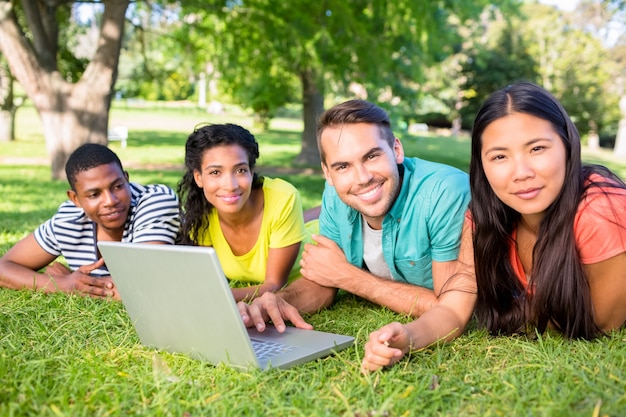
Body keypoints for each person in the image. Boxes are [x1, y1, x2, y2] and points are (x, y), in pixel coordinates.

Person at [362, 81, 626, 372]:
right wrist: (408, 336)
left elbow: (601, 324)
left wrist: (518, 312)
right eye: (499, 156)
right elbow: (453, 307)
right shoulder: (485, 216)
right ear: (482, 165)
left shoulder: (601, 208)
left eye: (537, 148)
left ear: (566, 146)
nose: (521, 173)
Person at [237, 99, 471, 334]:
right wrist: (279, 302)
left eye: (371, 156)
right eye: (342, 167)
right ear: (327, 173)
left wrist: (349, 278)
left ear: (396, 150)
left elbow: (449, 306)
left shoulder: (444, 193)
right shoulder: (336, 195)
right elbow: (324, 280)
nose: (361, 178)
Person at [0, 143, 181, 299]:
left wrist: (80, 282)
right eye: (94, 194)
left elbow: (146, 285)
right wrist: (62, 284)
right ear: (75, 199)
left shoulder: (155, 201)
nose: (110, 201)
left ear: (127, 179)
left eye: (117, 186)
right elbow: (4, 268)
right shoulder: (68, 219)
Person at [177, 123, 311, 302]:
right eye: (215, 172)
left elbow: (274, 284)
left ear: (251, 171)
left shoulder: (282, 197)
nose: (230, 185)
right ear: (198, 177)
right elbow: (212, 280)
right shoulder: (201, 214)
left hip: (314, 242)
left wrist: (214, 297)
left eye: (240, 170)